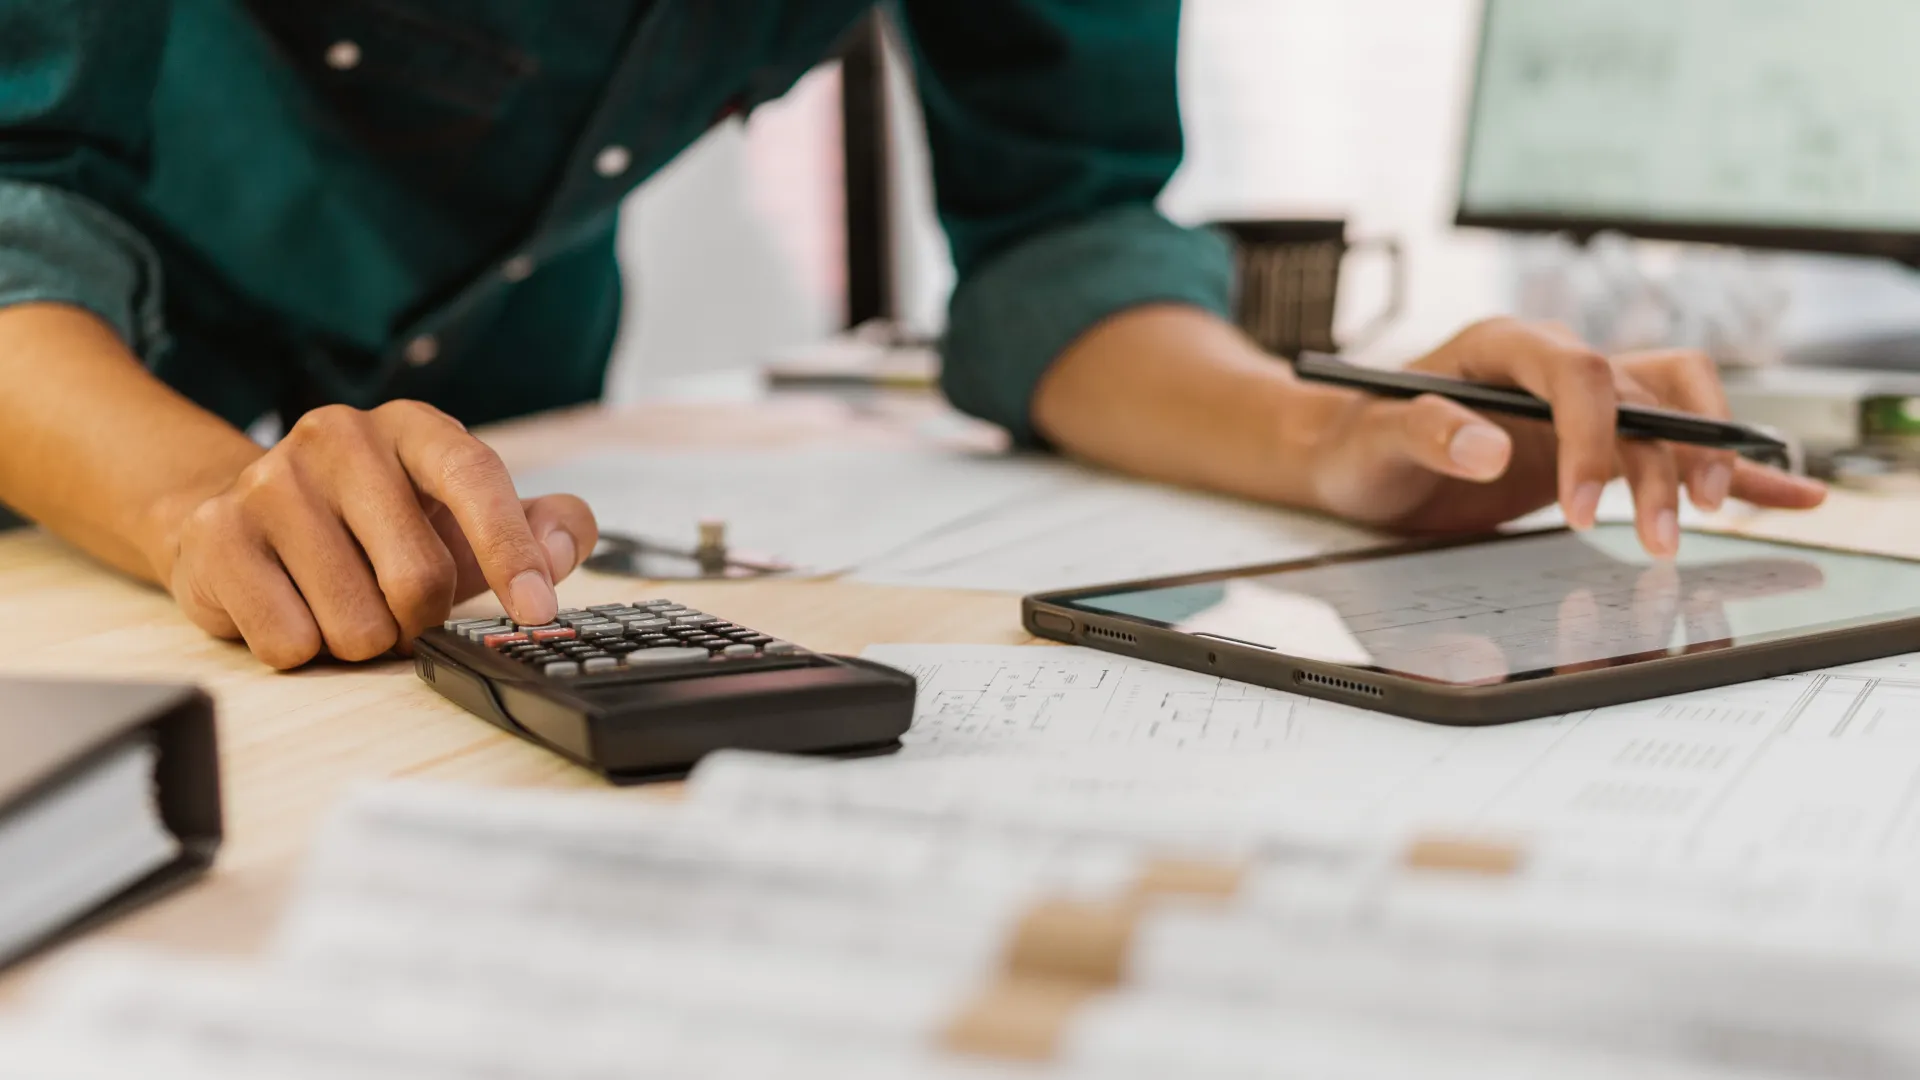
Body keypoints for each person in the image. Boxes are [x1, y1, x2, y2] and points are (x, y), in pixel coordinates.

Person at [0, 2, 1825, 669]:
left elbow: (1063, 238)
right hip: (73, 425)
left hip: (505, 430)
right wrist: (193, 502)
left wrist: (1328, 439)